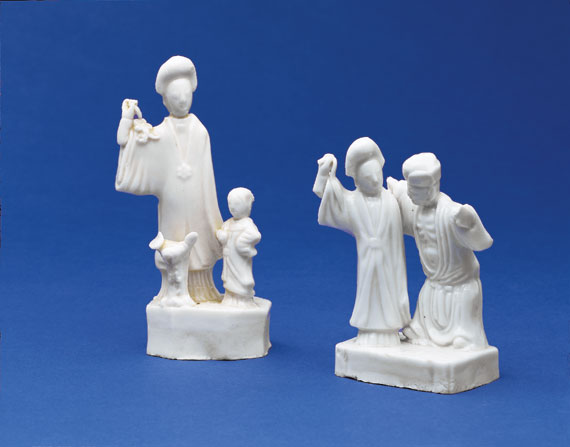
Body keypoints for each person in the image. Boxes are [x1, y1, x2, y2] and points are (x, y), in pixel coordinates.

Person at [115, 56, 223, 303]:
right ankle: (172, 291)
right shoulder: (159, 133)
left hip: (197, 198)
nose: (182, 101)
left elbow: (207, 177)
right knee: (173, 243)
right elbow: (125, 142)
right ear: (165, 101)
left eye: (186, 96)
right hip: (172, 200)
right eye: (175, 97)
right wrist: (127, 119)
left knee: (199, 241)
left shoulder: (200, 131)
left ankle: (202, 291)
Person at [387, 153, 493, 349]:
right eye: (409, 188)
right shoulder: (416, 210)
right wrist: (393, 191)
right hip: (433, 285)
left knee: (462, 342)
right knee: (415, 331)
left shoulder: (453, 214)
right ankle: (423, 333)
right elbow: (400, 201)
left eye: (414, 189)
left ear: (431, 188)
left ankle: (463, 337)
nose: (410, 194)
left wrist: (471, 224)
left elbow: (482, 243)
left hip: (460, 287)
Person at [313, 138, 410, 346]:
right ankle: (370, 331)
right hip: (368, 259)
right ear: (357, 180)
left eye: (378, 175)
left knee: (390, 294)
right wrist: (324, 172)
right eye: (368, 177)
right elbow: (326, 194)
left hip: (389, 259)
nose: (375, 181)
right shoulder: (352, 200)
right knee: (370, 296)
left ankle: (391, 329)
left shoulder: (391, 200)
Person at [216, 188, 261, 307]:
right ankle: (230, 297)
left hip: (239, 259)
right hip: (229, 259)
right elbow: (223, 235)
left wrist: (241, 243)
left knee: (241, 278)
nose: (232, 207)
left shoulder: (247, 224)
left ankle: (242, 299)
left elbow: (255, 235)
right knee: (228, 278)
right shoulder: (228, 223)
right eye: (230, 204)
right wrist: (222, 236)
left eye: (237, 204)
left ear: (247, 206)